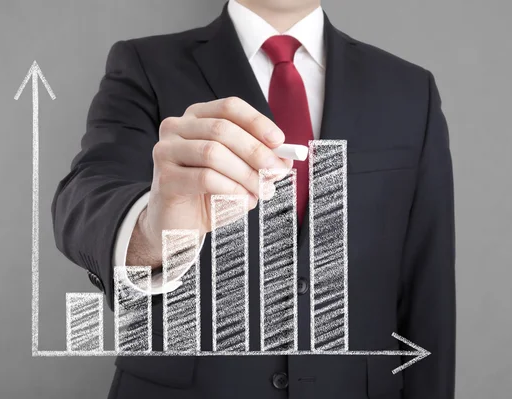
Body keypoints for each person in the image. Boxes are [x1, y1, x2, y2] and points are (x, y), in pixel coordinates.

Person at [52, 0, 456, 397]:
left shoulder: (409, 89)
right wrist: (154, 229)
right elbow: (85, 197)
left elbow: (428, 292)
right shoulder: (144, 64)